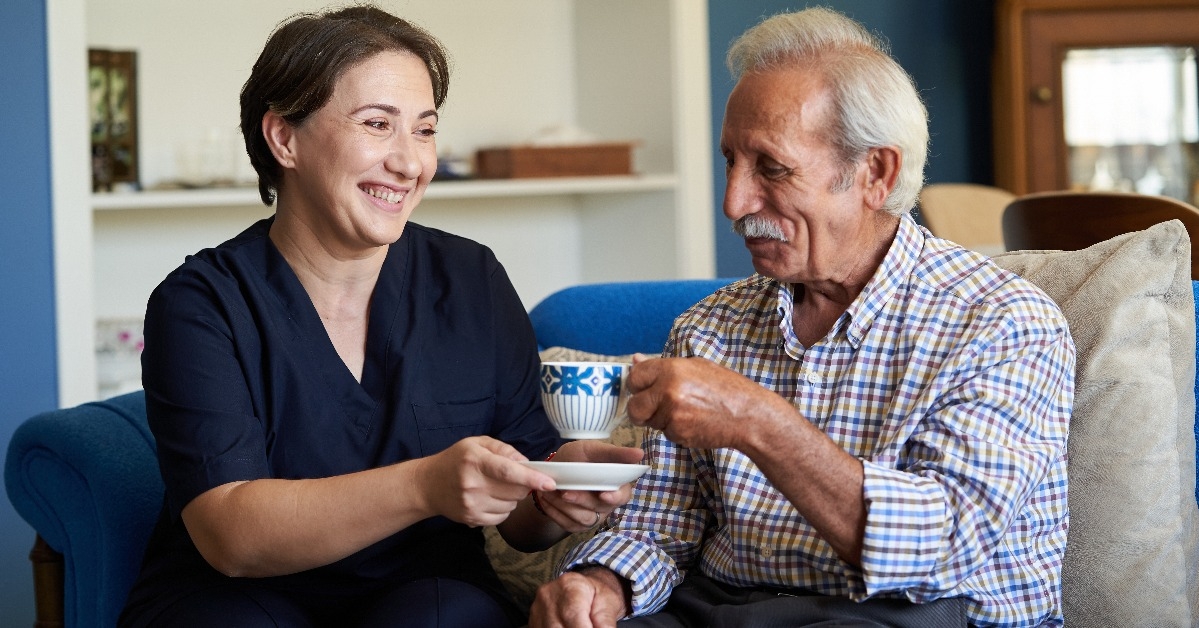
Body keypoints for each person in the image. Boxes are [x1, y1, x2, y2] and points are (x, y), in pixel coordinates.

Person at [530, 7, 1073, 628]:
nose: (734, 202)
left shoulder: (1002, 322)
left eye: (772, 167)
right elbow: (659, 525)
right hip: (723, 609)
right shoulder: (709, 328)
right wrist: (602, 585)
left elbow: (942, 548)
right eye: (729, 161)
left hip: (908, 614)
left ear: (875, 172)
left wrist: (758, 422)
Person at [117, 6, 641, 627]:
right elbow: (231, 537)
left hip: (426, 594)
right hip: (236, 596)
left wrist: (557, 497)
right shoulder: (201, 302)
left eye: (424, 130)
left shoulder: (471, 280)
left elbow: (521, 521)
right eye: (377, 124)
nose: (410, 163)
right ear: (283, 137)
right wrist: (426, 485)